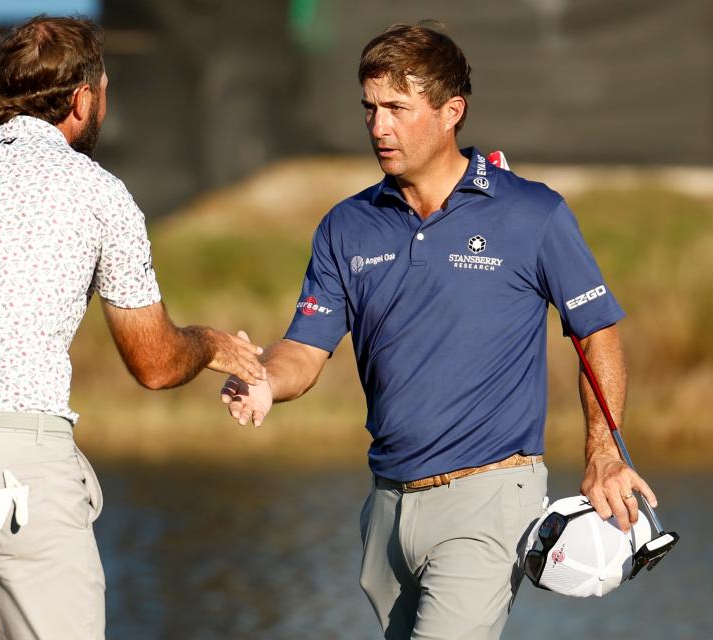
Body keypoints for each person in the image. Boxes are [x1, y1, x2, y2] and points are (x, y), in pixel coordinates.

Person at [0, 15, 266, 640]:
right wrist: (214, 344)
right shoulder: (99, 193)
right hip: (15, 470)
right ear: (86, 98)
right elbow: (154, 362)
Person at [220, 24, 657, 639]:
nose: (379, 127)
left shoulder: (532, 212)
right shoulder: (346, 227)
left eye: (397, 109)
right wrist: (266, 379)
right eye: (370, 109)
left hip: (489, 497)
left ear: (453, 111)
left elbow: (597, 331)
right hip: (387, 506)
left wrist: (603, 451)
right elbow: (306, 347)